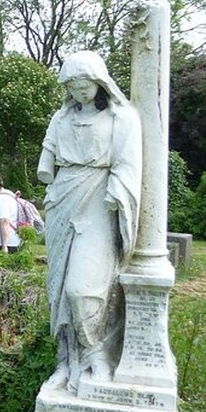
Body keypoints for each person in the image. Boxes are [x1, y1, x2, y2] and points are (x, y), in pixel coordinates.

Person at [37, 51, 142, 392]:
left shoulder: (121, 119)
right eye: (74, 86)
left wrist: (117, 191)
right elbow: (48, 158)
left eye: (86, 85)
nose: (81, 92)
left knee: (82, 289)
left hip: (98, 201)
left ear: (100, 82)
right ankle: (67, 362)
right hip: (63, 201)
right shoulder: (61, 119)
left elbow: (127, 163)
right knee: (60, 292)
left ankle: (97, 356)